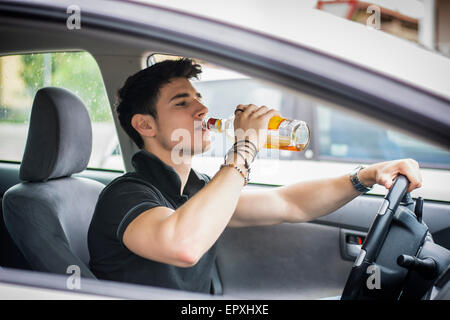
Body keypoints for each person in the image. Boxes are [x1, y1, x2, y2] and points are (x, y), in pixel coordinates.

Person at [87, 58, 422, 293]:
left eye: (198, 98)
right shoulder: (125, 195)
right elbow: (183, 244)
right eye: (181, 103)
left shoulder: (196, 188)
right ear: (145, 124)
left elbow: (289, 203)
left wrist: (366, 175)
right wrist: (245, 146)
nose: (202, 110)